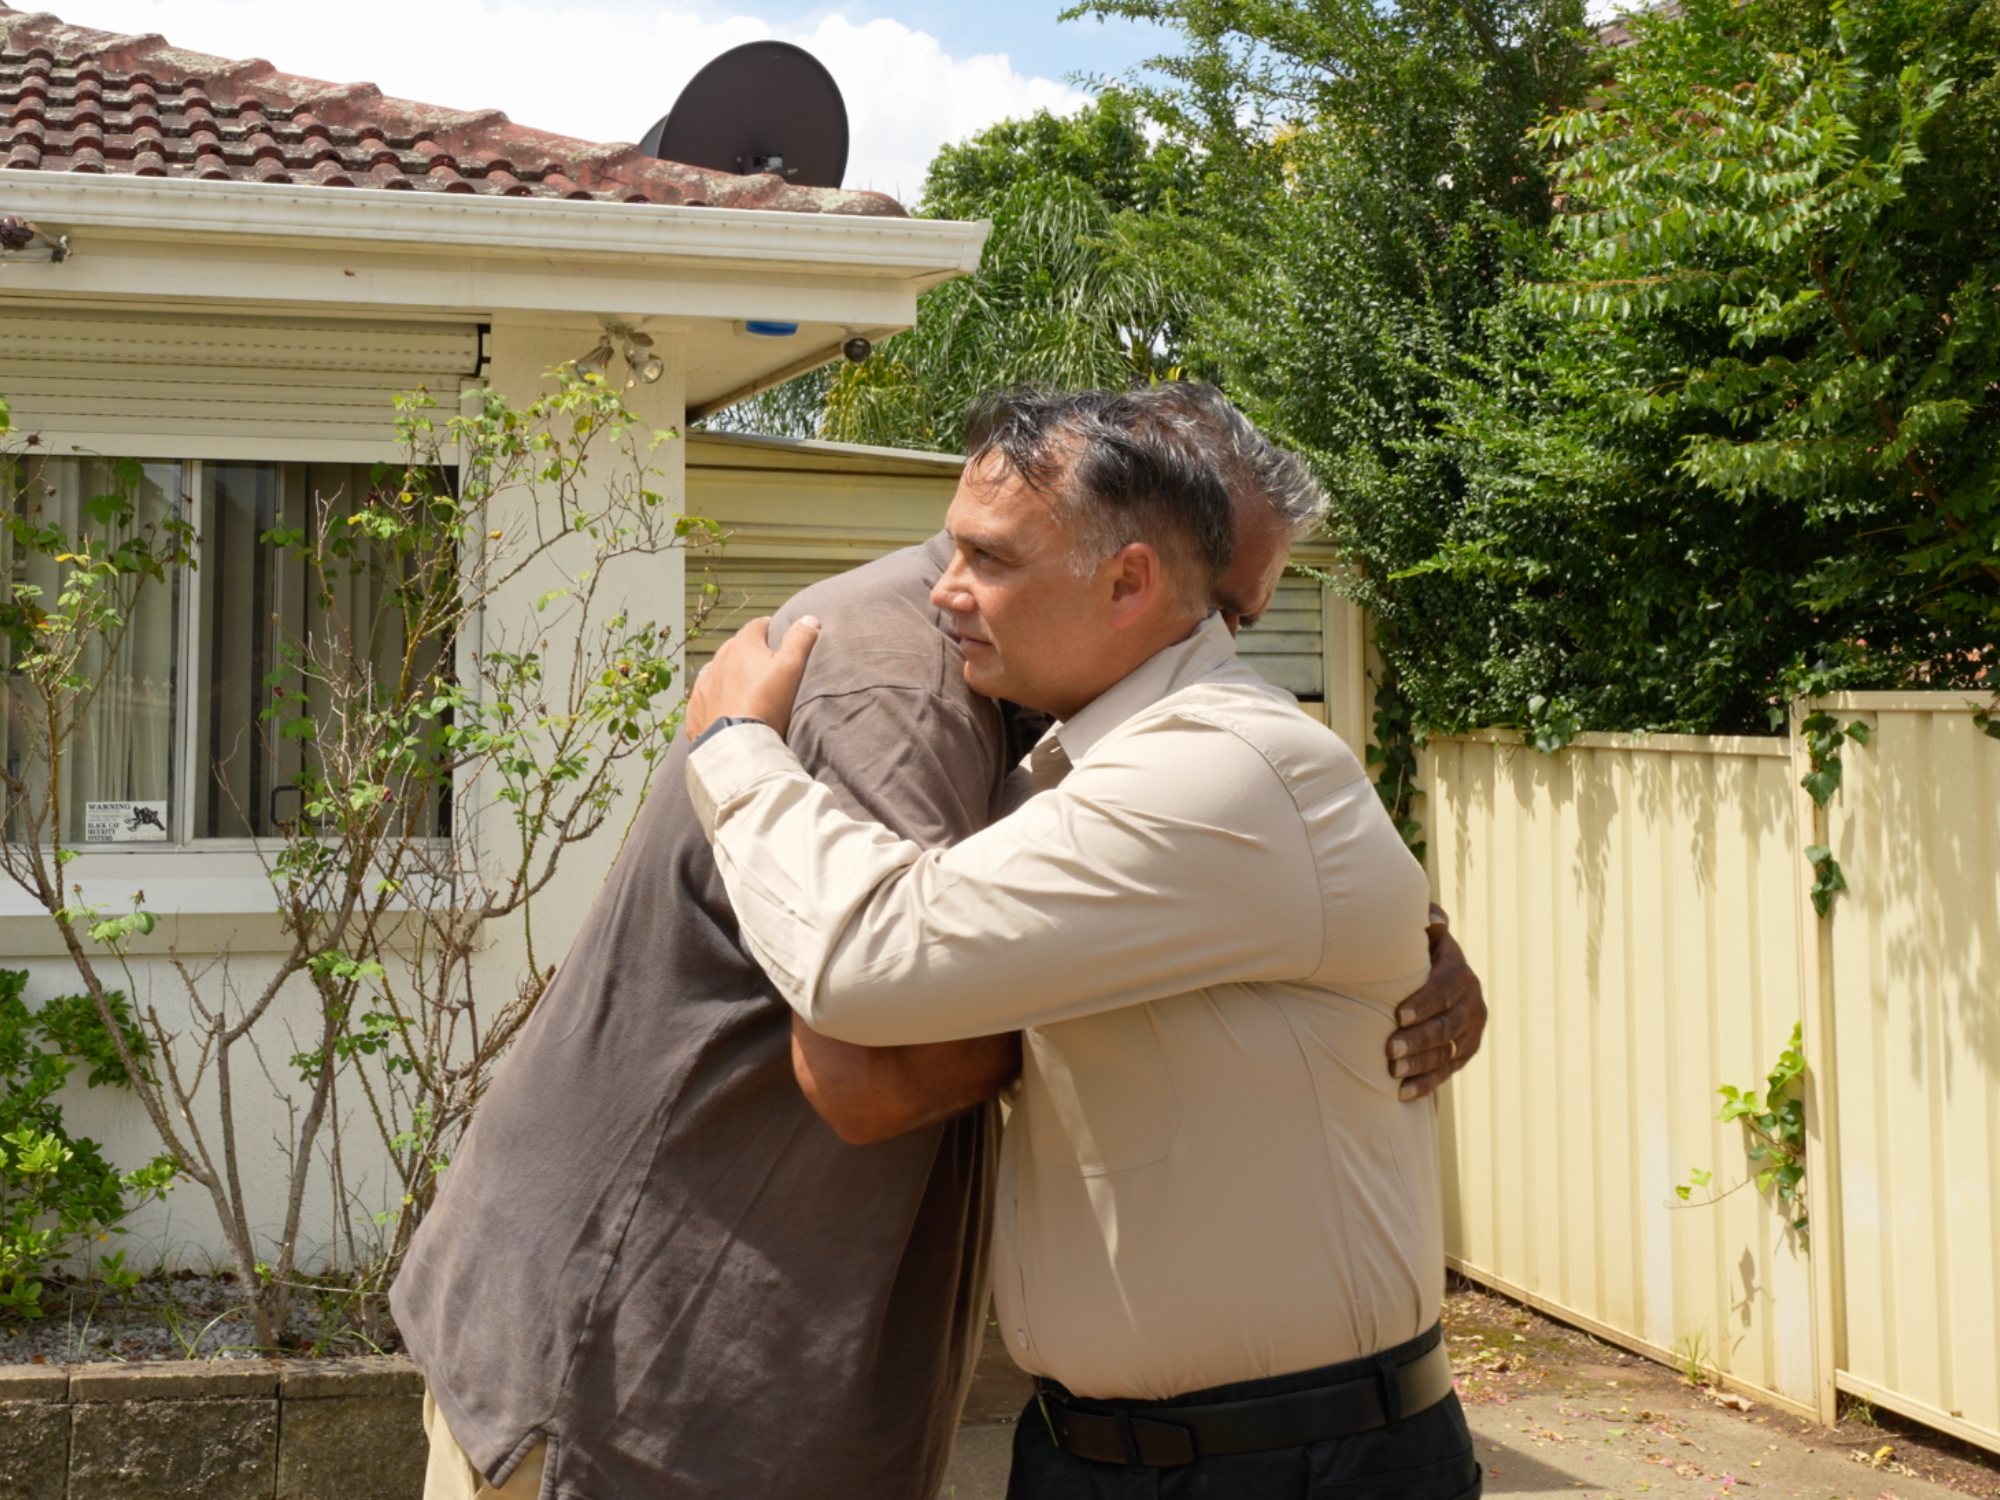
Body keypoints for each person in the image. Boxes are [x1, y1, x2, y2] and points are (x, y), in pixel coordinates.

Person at [392, 384, 1485, 1500]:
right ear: (1131, 571)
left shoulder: (1108, 720)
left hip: (1203, 1442)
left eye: (1233, 615)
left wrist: (1361, 947)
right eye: (1215, 608)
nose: (1214, 648)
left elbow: (1233, 859)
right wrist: (733, 745)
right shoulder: (903, 678)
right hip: (632, 1361)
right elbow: (873, 1064)